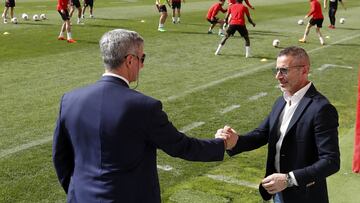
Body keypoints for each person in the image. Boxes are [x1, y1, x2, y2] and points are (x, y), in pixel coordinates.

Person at [52, 29, 238, 203]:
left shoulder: (70, 100)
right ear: (130, 60)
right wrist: (222, 143)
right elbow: (181, 147)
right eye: (142, 58)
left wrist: (77, 192)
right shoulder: (144, 107)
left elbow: (60, 157)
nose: (142, 65)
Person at [218, 46, 340, 203]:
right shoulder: (281, 101)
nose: (277, 76)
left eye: (284, 70)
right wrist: (235, 141)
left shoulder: (321, 109)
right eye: (277, 70)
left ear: (304, 70)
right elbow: (262, 134)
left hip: (304, 196)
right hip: (278, 193)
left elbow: (331, 161)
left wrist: (288, 179)